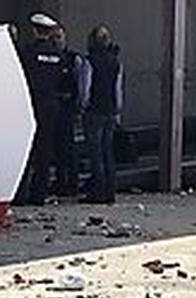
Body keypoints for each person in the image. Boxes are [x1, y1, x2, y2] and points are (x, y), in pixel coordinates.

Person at [19, 13, 65, 206]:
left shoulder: (27, 53)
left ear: (34, 30)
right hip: (51, 106)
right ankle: (39, 194)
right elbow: (62, 82)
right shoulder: (58, 55)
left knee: (26, 150)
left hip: (31, 104)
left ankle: (20, 194)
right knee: (45, 150)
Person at [78, 24, 123, 205]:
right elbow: (118, 89)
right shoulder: (116, 62)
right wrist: (118, 110)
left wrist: (83, 105)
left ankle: (97, 192)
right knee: (107, 151)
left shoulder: (89, 61)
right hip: (110, 111)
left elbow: (85, 88)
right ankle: (110, 192)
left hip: (94, 111)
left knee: (95, 153)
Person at [52, 25, 83, 197]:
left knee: (69, 149)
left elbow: (80, 84)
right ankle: (61, 182)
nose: (56, 40)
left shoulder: (73, 59)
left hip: (68, 109)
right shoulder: (49, 57)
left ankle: (71, 183)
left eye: (59, 37)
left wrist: (77, 105)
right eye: (54, 37)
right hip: (54, 108)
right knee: (57, 149)